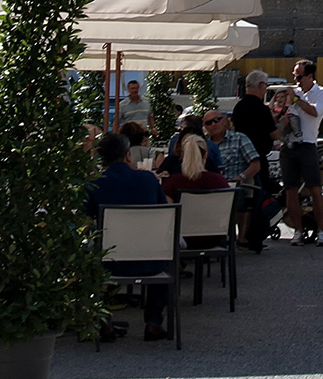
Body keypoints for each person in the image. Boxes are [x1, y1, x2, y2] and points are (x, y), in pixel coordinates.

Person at [87, 129, 172, 340]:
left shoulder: (94, 183)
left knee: (88, 258)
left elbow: (85, 224)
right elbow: (164, 212)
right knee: (166, 253)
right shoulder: (148, 180)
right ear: (128, 155)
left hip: (109, 262)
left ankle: (102, 321)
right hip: (151, 259)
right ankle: (153, 322)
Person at [277, 59, 323, 243]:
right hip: (289, 145)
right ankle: (298, 231)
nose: (296, 80)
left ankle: (321, 231)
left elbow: (315, 112)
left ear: (310, 76)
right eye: (294, 76)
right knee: (290, 190)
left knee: (315, 189)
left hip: (307, 144)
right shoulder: (294, 92)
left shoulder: (322, 92)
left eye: (299, 76)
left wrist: (295, 99)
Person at [230, 70, 278, 251]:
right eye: (266, 85)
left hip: (240, 157)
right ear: (260, 86)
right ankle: (254, 235)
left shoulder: (239, 107)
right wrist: (283, 123)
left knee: (244, 199)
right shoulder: (261, 108)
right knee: (259, 197)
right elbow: (275, 134)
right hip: (257, 158)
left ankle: (242, 235)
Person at [160, 131, 229, 200]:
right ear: (206, 155)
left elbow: (167, 209)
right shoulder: (219, 181)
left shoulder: (171, 184)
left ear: (182, 155)